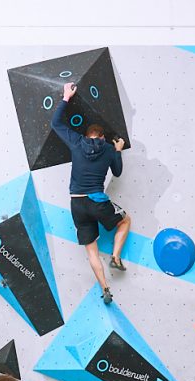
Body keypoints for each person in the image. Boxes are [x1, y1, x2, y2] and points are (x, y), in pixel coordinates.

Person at [51, 82, 130, 305]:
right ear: (102, 137)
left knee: (91, 250)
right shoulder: (107, 149)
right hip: (97, 201)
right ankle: (115, 257)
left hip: (76, 204)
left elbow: (55, 123)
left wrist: (66, 97)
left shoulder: (77, 142)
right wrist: (117, 151)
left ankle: (105, 289)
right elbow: (118, 172)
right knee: (124, 221)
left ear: (87, 135)